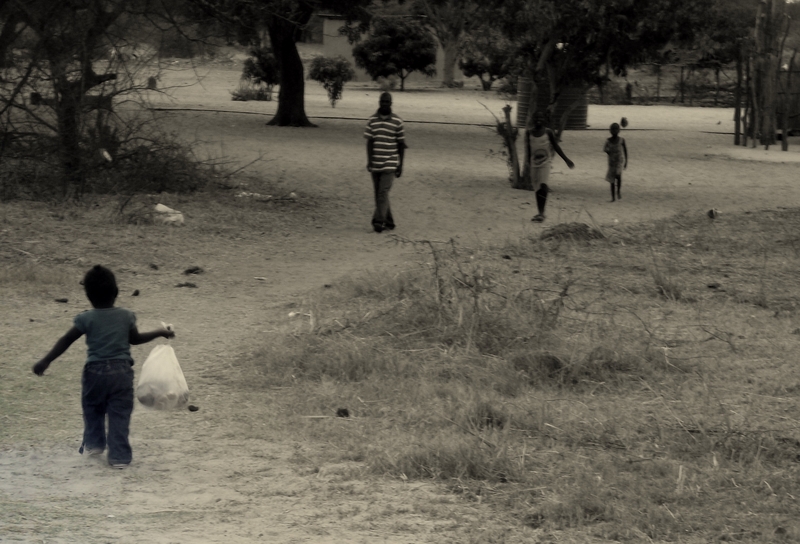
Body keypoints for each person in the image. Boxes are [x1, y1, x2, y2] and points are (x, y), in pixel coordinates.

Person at [32, 265, 174, 469]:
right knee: (119, 413)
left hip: (94, 372)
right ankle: (119, 457)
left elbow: (66, 340)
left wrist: (46, 360)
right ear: (116, 292)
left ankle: (95, 444)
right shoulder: (126, 315)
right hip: (121, 373)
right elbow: (135, 339)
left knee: (92, 407)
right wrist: (160, 332)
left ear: (88, 295)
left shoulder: (86, 318)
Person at [364, 92, 406, 233]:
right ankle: (389, 221)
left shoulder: (398, 122)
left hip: (390, 163)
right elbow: (370, 142)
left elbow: (401, 144)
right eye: (382, 101)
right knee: (379, 194)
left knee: (383, 192)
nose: (385, 104)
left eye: (387, 102)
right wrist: (369, 160)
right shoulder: (372, 120)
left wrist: (400, 165)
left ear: (391, 103)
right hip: (376, 163)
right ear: (379, 102)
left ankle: (378, 221)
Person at [525, 111, 575, 222]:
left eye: (541, 117)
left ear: (544, 120)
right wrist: (528, 163)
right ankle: (539, 212)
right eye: (536, 117)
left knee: (543, 185)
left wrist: (566, 160)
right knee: (537, 188)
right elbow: (528, 148)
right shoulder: (529, 133)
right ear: (533, 119)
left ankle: (542, 213)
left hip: (545, 162)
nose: (538, 119)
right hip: (534, 163)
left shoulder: (548, 132)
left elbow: (556, 146)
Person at [604, 122, 628, 202]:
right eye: (613, 129)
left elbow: (625, 151)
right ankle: (613, 197)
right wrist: (609, 152)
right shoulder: (608, 141)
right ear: (610, 131)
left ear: (619, 130)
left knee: (618, 175)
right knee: (612, 180)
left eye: (616, 129)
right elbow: (605, 149)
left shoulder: (622, 140)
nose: (614, 131)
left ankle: (618, 191)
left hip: (619, 161)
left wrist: (626, 161)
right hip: (611, 163)